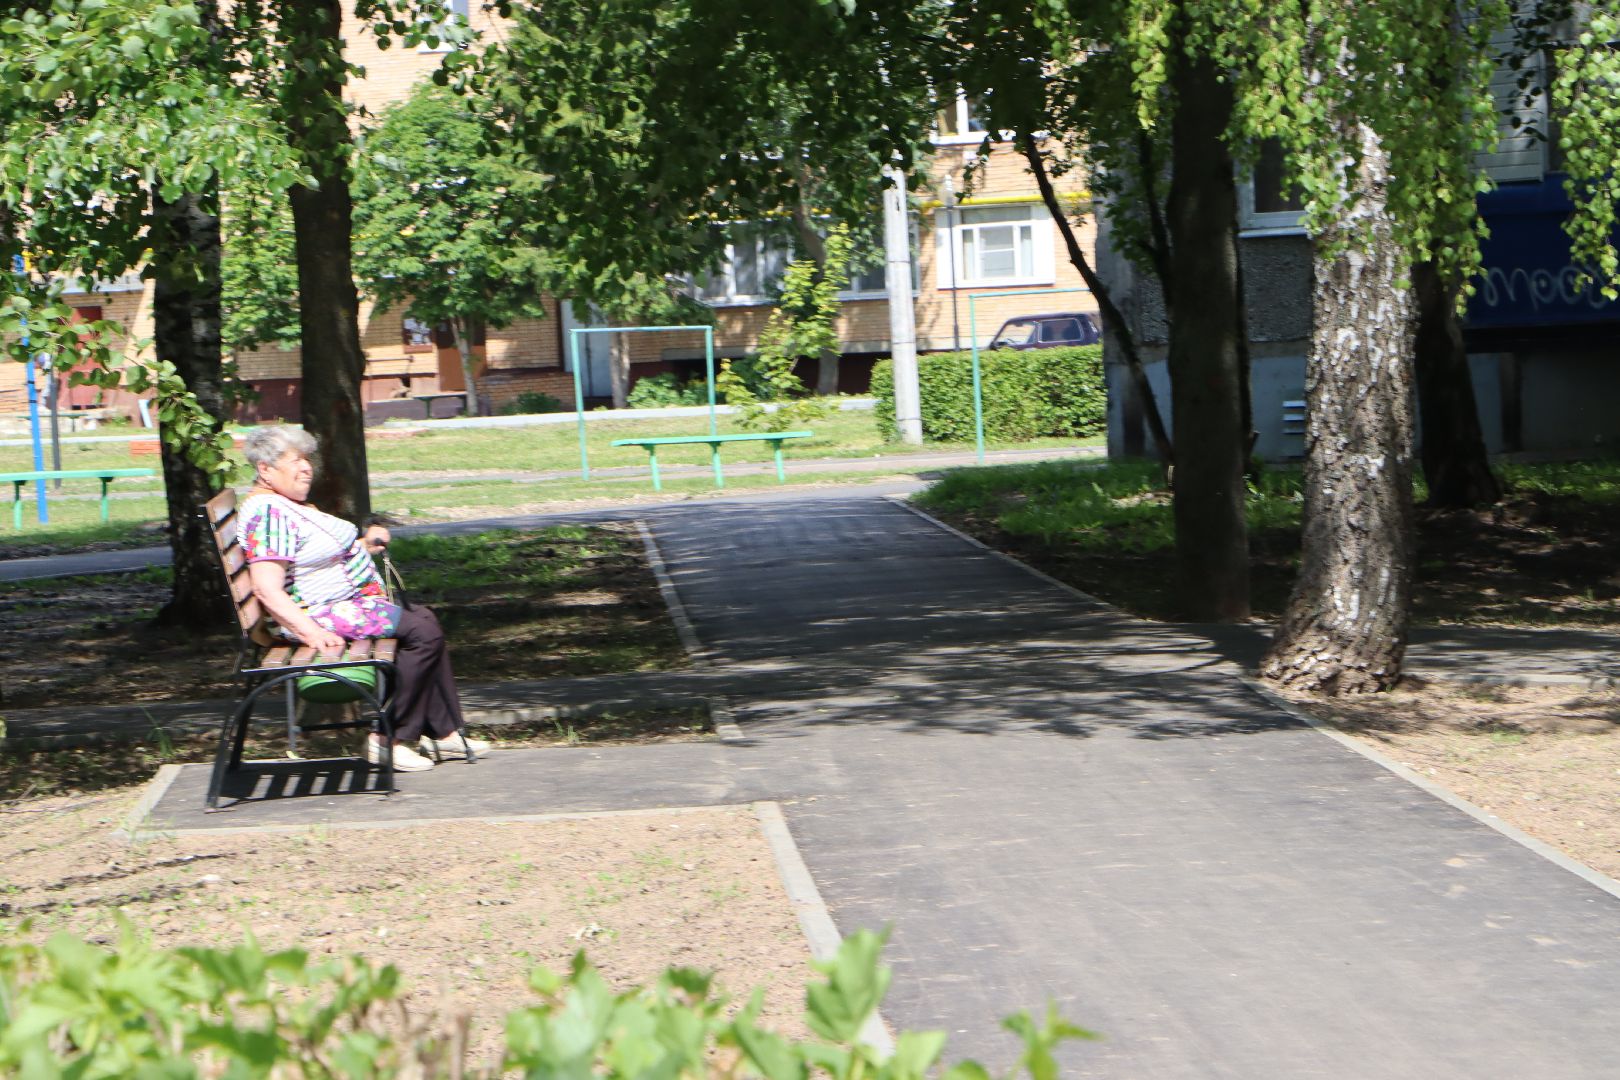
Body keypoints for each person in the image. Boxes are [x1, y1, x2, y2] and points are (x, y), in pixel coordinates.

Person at [238, 424, 487, 771]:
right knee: (422, 632)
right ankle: (387, 739)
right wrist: (311, 632)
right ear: (265, 469)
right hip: (314, 615)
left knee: (424, 618)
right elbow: (267, 588)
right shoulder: (268, 515)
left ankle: (442, 730)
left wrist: (362, 546)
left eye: (307, 459)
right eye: (295, 461)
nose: (307, 468)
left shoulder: (281, 505)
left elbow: (312, 556)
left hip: (331, 606)